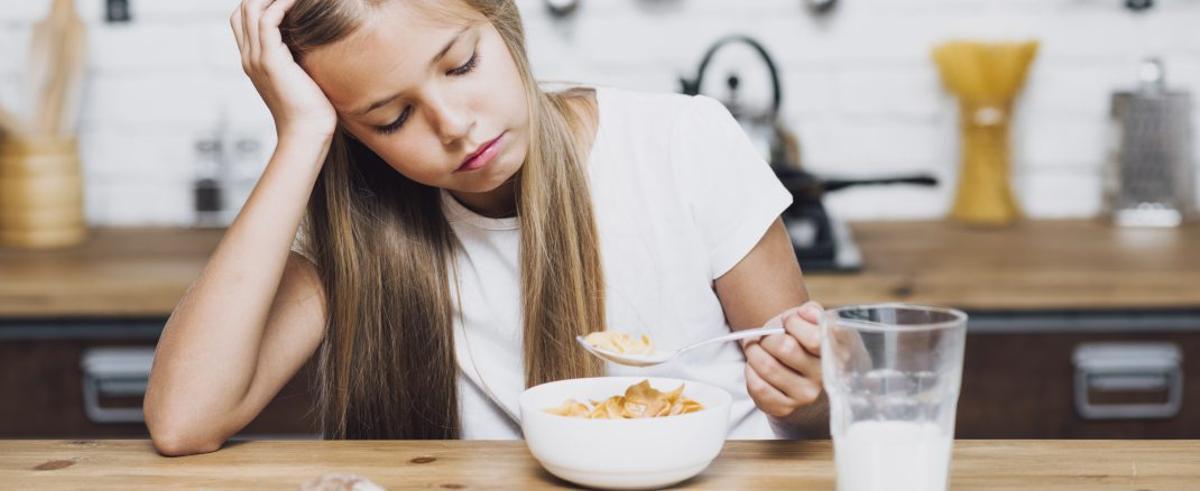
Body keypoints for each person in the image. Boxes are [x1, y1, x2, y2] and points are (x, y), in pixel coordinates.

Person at [144, 0, 825, 456]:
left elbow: (812, 414)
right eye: (391, 119)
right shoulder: (355, 227)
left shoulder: (683, 143)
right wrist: (300, 136)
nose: (453, 124)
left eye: (462, 64)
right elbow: (183, 420)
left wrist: (808, 395)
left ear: (502, 21)